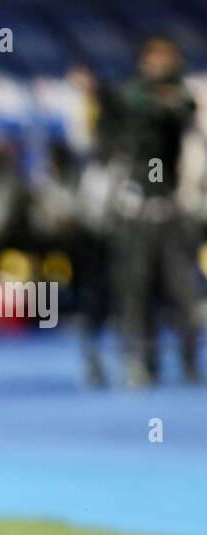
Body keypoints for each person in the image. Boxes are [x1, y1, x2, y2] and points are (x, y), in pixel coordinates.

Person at [110, 35, 202, 387]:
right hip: (135, 207)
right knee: (137, 288)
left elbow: (182, 110)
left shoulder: (182, 94)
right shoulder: (130, 94)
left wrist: (166, 98)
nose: (162, 64)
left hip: (172, 207)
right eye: (156, 57)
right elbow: (128, 106)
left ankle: (190, 361)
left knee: (183, 290)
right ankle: (140, 361)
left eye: (168, 57)